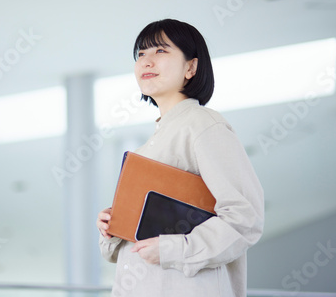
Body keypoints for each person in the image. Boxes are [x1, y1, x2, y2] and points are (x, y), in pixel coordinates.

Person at [96, 18, 264, 297]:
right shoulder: (150, 144)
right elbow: (138, 239)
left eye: (160, 51)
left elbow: (245, 218)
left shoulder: (203, 125)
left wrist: (173, 249)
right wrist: (114, 225)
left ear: (191, 67)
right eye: (141, 54)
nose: (146, 61)